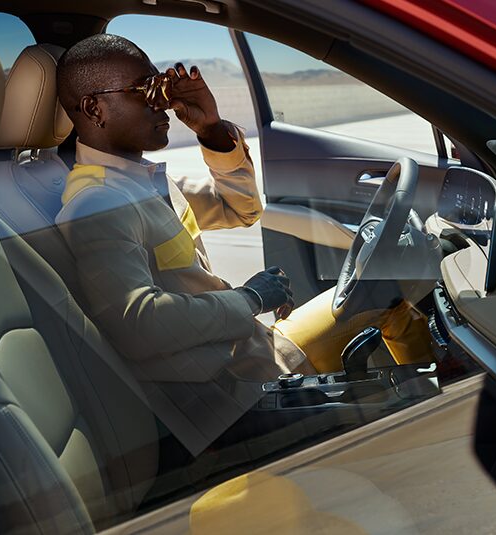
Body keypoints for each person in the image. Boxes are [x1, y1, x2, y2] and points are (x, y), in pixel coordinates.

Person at [55, 34, 432, 454]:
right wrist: (251, 298)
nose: (162, 102)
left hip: (246, 349)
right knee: (390, 304)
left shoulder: (143, 181)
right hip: (236, 384)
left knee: (381, 297)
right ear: (93, 108)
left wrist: (211, 129)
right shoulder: (98, 203)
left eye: (161, 85)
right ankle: (443, 411)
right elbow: (139, 324)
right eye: (145, 90)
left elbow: (241, 209)